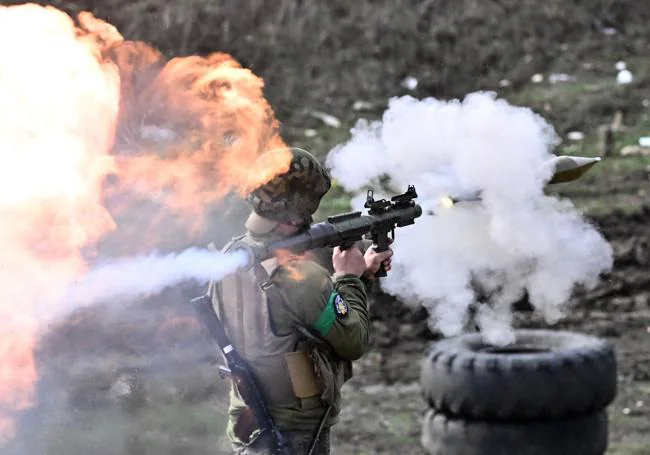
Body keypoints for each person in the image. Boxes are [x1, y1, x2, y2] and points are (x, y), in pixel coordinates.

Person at [208, 147, 393, 454]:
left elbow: (289, 317)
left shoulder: (228, 257)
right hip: (293, 433)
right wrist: (348, 278)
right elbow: (354, 341)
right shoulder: (301, 278)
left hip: (249, 422)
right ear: (295, 210)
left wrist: (363, 276)